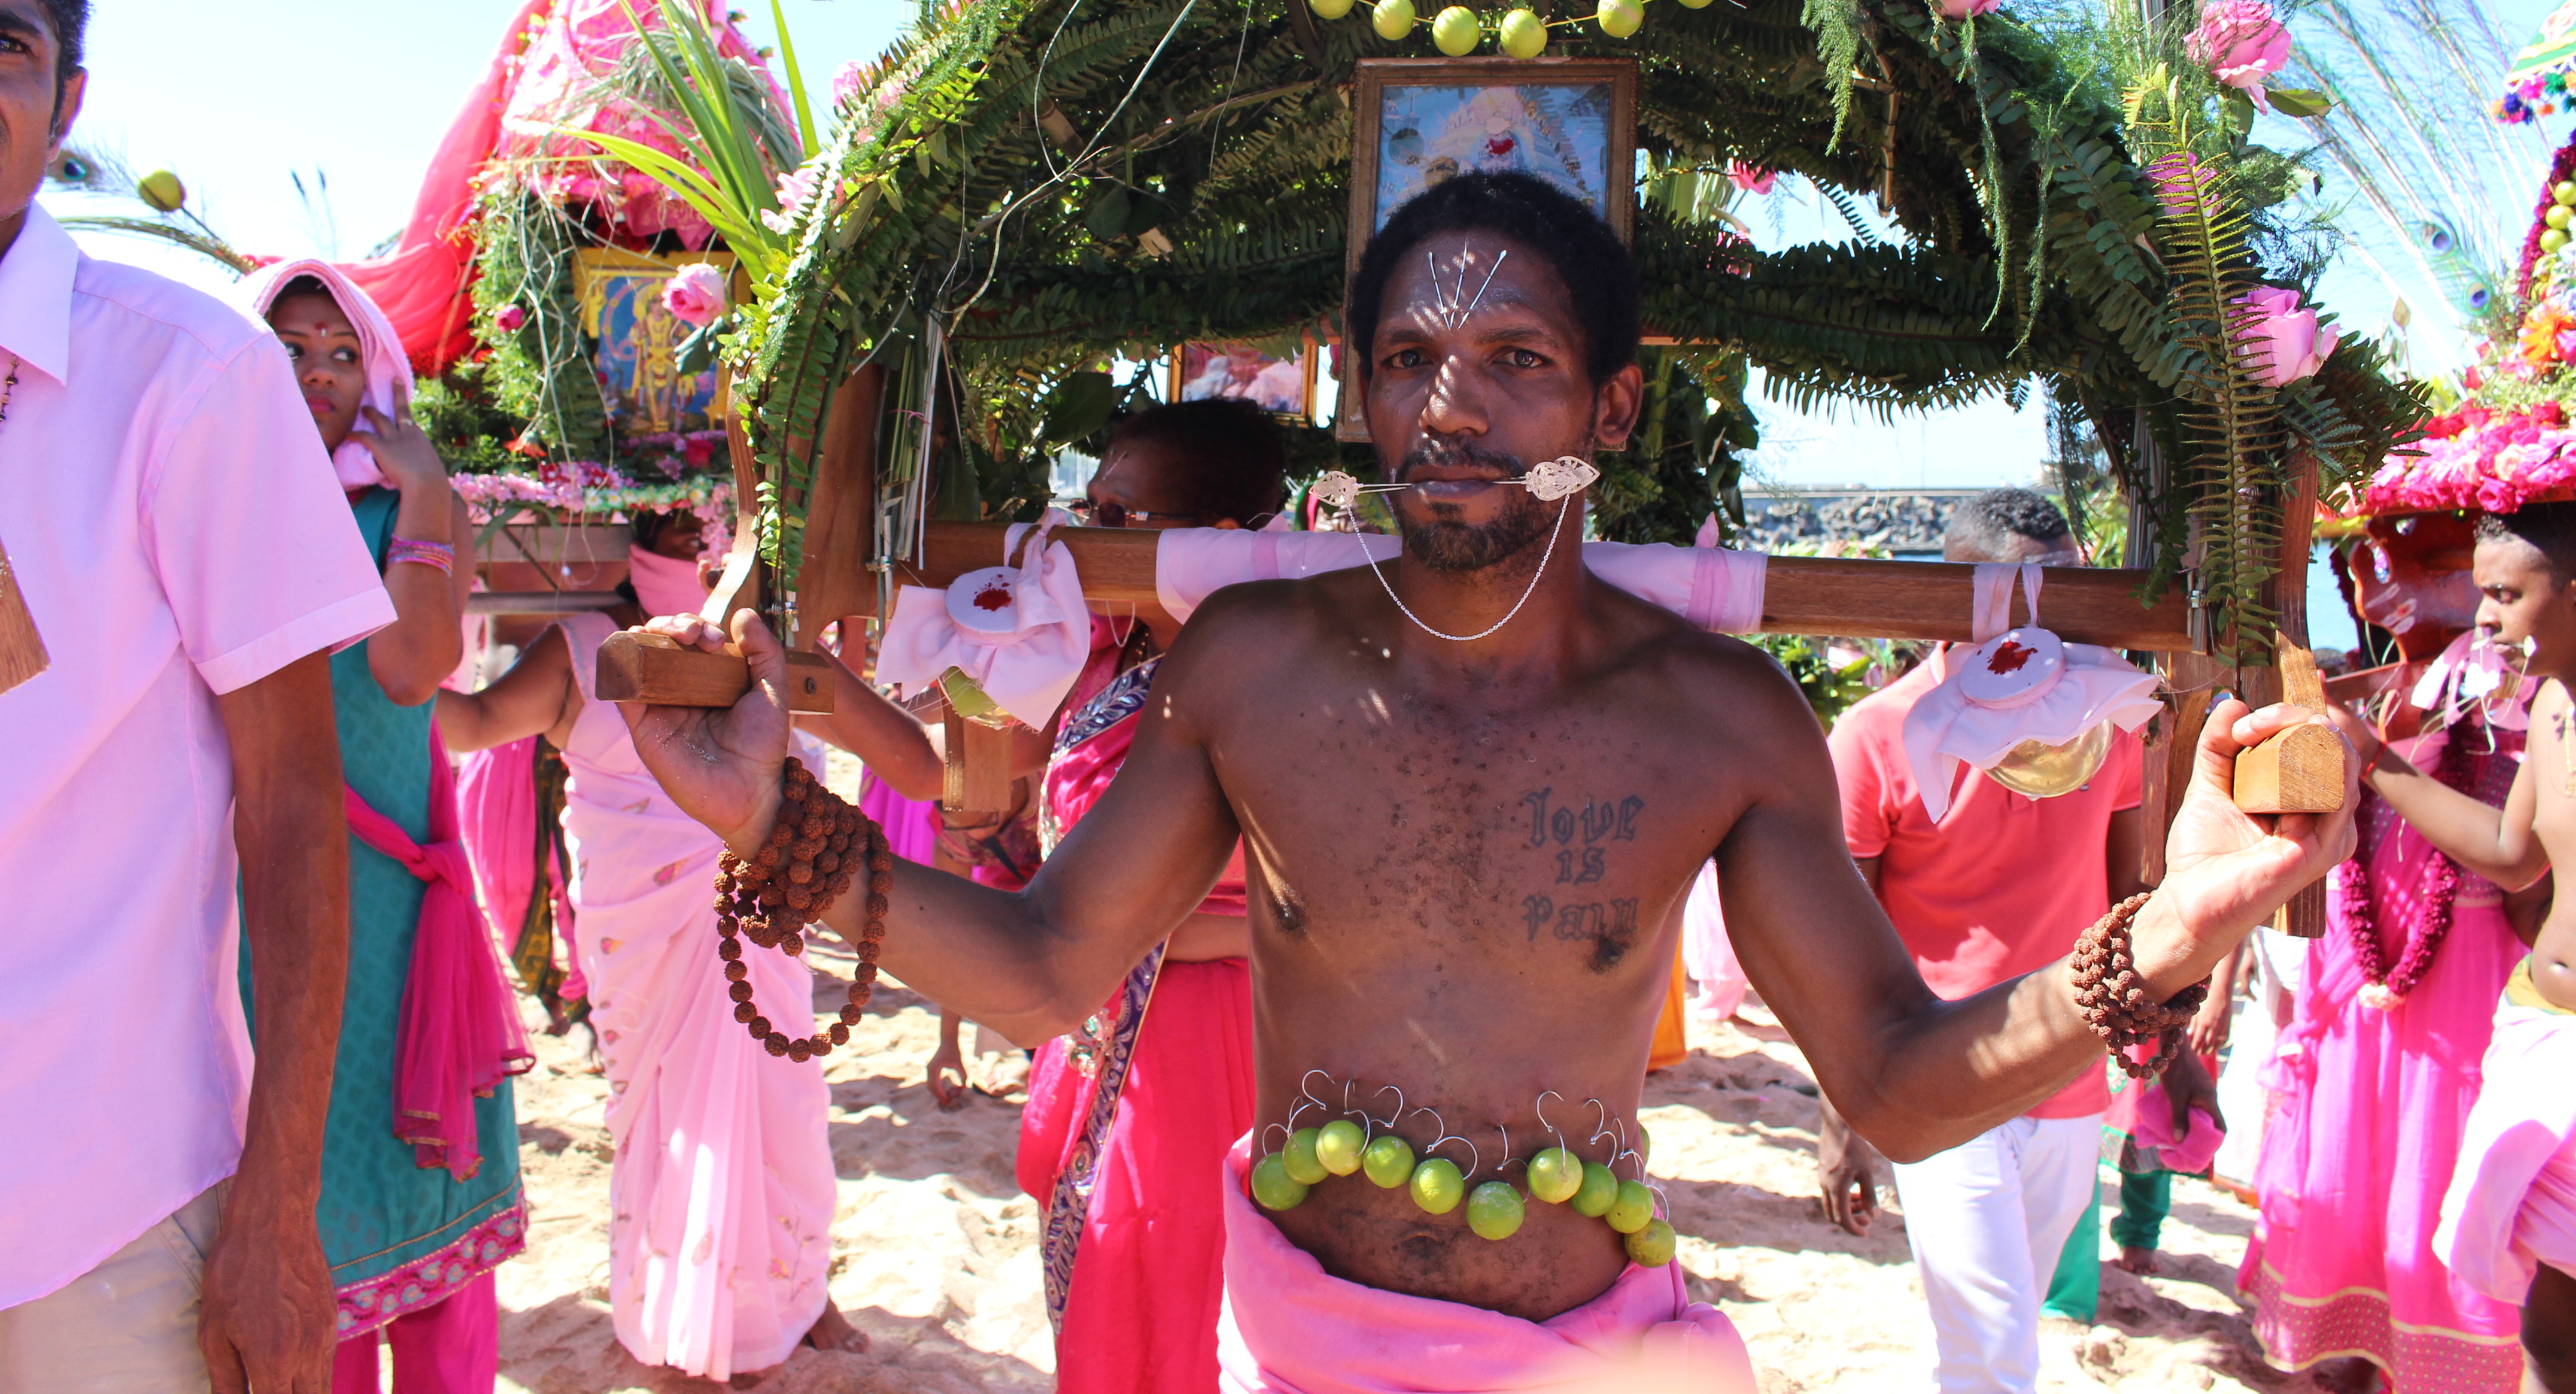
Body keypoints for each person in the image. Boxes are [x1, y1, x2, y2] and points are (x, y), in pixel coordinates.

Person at [622, 169, 2354, 1390]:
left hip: (1584, 1362)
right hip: (1295, 1343)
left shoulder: (1716, 718)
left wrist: (2170, 933)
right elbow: (1040, 968)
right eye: (1405, 364)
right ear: (1363, 404)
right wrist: (769, 821)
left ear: (1605, 407)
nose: (1452, 408)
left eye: (1515, 362)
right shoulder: (1255, 672)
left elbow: (1896, 1088)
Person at [0, 0, 395, 1392]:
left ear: (67, 95)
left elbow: (294, 809)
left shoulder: (186, 379)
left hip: (109, 1211)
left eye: (8, 47)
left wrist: (279, 1216)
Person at [434, 508, 869, 1381]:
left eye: (705, 523)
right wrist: (357, 667)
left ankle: (800, 1291)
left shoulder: (766, 652)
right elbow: (473, 724)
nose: (691, 541)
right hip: (640, 936)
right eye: (671, 524)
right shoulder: (587, 646)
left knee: (783, 1104)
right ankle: (673, 1303)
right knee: (659, 1117)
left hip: (758, 923)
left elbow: (896, 763)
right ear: (632, 536)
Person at [1812, 487, 2217, 1394]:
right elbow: (1843, 945)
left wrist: (2174, 1045)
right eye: (2036, 596)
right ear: (1962, 597)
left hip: (2072, 1071)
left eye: (2071, 595)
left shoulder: (2106, 716)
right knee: (1994, 1352)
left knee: (2008, 1329)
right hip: (1934, 1076)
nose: (2057, 620)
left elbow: (2131, 898)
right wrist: (1843, 1117)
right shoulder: (1877, 736)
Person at [244, 261, 528, 1390]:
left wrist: (418, 493)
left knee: (417, 1173)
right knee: (290, 1175)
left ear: (378, 371)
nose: (316, 372)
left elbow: (414, 672)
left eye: (339, 350)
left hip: (393, 897)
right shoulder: (208, 498)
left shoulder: (408, 507)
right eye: (287, 349)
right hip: (252, 888)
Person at [1015, 398, 1278, 1394]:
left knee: (1162, 1283)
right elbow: (942, 772)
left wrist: (1129, 935)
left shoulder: (1268, 681)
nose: (1089, 537)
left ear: (1209, 543)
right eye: (1089, 509)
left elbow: (1320, 904)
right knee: (1099, 1281)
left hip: (1197, 1041)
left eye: (1119, 519)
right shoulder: (1097, 653)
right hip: (1089, 1006)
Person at [2256, 513, 2545, 1393]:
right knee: (2350, 1202)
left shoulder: (2522, 695)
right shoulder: (2379, 687)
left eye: (2430, 560)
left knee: (2440, 1200)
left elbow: (2515, 857)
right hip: (2357, 988)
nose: (2375, 579)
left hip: (2469, 996)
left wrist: (2372, 752)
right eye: (2359, 557)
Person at [2324, 505, 2576, 1394]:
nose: (2484, 617)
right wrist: (2365, 751)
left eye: (2505, 595)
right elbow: (2513, 859)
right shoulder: (2551, 706)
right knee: (2552, 1330)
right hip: (2545, 1037)